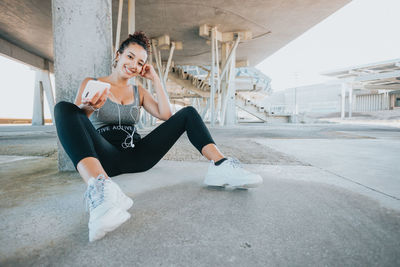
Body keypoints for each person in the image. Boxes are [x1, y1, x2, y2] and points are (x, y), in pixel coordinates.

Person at [54, 31, 263, 242]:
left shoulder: (139, 92)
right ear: (118, 55)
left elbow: (166, 115)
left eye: (140, 62)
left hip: (138, 155)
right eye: (130, 57)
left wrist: (154, 79)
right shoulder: (92, 82)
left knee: (188, 113)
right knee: (64, 109)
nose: (134, 65)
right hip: (104, 157)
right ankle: (102, 192)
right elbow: (76, 122)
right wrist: (89, 106)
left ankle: (220, 165)